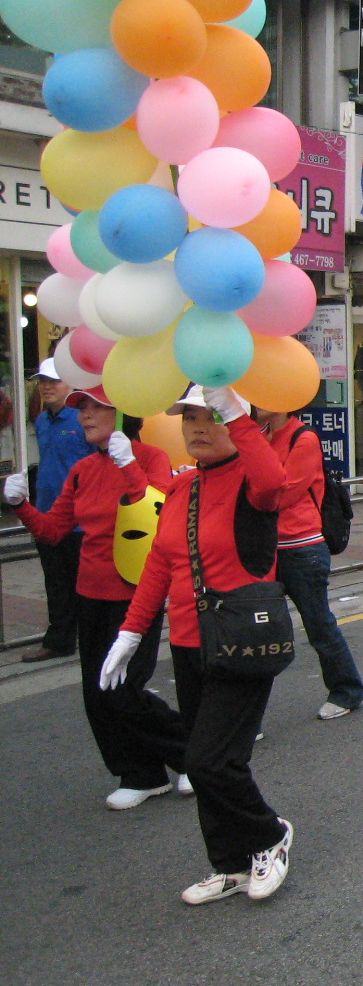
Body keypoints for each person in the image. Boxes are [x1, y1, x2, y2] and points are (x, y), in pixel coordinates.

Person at [105, 385, 293, 904]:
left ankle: (270, 835)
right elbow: (160, 565)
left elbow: (274, 479)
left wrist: (236, 413)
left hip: (240, 641)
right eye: (188, 418)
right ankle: (229, 864)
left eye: (209, 416)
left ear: (233, 420)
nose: (196, 428)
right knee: (203, 757)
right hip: (189, 642)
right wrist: (130, 632)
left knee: (211, 761)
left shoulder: (252, 481)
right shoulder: (185, 486)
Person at [4, 389, 185, 808]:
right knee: (97, 693)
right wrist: (21, 506)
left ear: (123, 413)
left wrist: (128, 466)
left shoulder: (151, 458)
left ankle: (190, 753)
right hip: (90, 592)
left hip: (135, 592)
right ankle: (140, 773)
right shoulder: (83, 469)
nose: (85, 415)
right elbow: (53, 531)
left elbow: (156, 517)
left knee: (125, 690)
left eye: (95, 406)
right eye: (81, 408)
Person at [256, 406, 363, 719]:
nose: (255, 403)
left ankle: (347, 691)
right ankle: (249, 713)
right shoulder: (258, 435)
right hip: (266, 548)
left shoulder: (303, 438)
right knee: (258, 631)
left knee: (318, 624)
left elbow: (284, 493)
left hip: (301, 549)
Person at [22, 358, 95, 662]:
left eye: (54, 381)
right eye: (43, 381)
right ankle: (61, 639)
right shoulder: (41, 421)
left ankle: (90, 638)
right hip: (46, 516)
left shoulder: (83, 419)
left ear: (70, 383)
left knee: (83, 583)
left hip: (79, 520)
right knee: (55, 581)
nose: (47, 387)